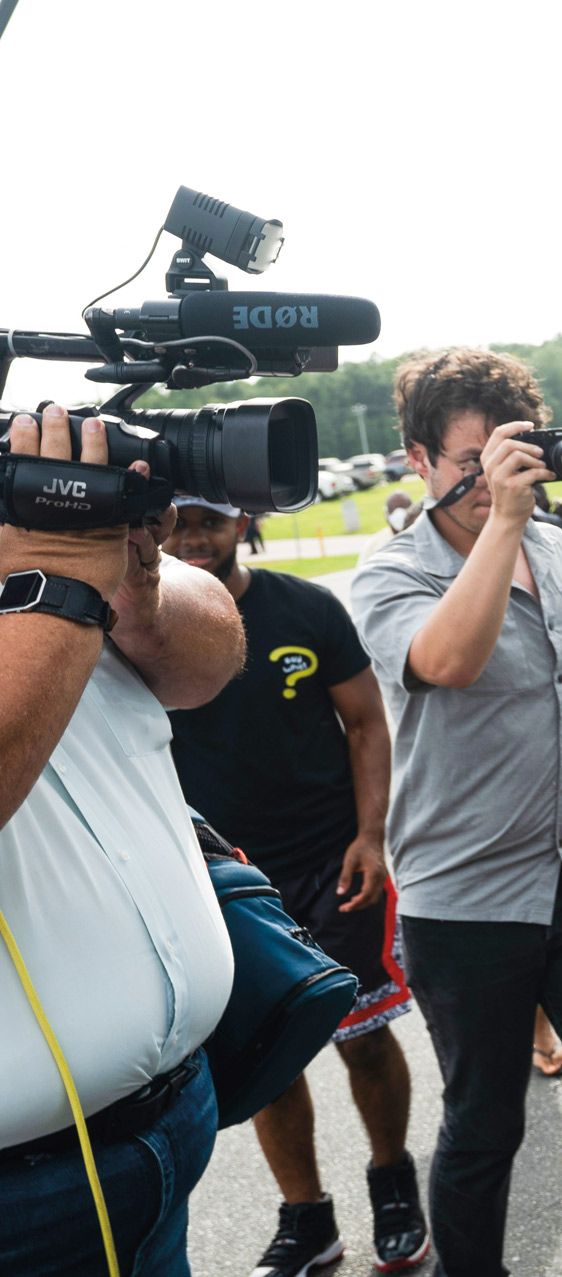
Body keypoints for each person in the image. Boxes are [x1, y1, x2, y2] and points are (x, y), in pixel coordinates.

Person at [351, 348, 562, 1277]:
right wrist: (503, 517)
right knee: (483, 1128)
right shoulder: (388, 571)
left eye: (504, 455)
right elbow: (448, 661)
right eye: (466, 460)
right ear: (418, 457)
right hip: (464, 899)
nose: (486, 478)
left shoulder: (557, 547)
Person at [0, 405, 244, 1275]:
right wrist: (61, 574)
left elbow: (208, 659)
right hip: (24, 1192)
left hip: (170, 1119)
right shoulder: (44, 556)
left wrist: (135, 591)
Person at [161, 497, 428, 1276]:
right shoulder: (137, 629)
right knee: (268, 1062)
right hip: (222, 879)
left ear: (242, 522)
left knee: (367, 1041)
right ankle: (308, 1219)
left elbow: (368, 723)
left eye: (209, 520)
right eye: (176, 523)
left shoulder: (305, 607)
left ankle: (393, 1185)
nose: (193, 539)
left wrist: (371, 835)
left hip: (332, 861)